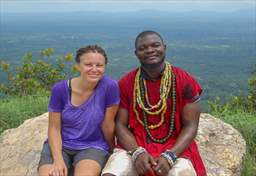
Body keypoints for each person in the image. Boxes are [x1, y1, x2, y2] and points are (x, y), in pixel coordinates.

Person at [102, 31, 206, 176]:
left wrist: (170, 156)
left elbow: (191, 125)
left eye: (155, 45)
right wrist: (137, 152)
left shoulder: (184, 80)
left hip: (175, 147)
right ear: (136, 53)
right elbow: (120, 125)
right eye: (143, 48)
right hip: (135, 144)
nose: (150, 50)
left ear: (164, 47)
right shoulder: (126, 83)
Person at [38, 45, 120, 176]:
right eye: (88, 64)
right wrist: (58, 160)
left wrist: (112, 150)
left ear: (104, 67)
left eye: (99, 65)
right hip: (61, 145)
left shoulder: (109, 87)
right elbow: (54, 128)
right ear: (78, 66)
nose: (94, 69)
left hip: (92, 146)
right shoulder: (60, 90)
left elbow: (108, 124)